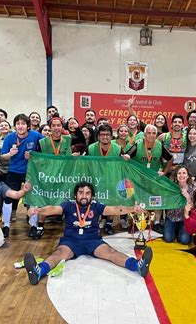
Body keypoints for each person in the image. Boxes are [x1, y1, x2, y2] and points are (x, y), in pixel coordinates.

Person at [23, 182, 154, 285]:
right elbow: (52, 209)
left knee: (111, 253)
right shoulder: (69, 205)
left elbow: (115, 209)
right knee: (58, 254)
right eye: (81, 193)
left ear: (92, 196)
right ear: (75, 195)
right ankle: (39, 271)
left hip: (93, 241)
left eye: (87, 193)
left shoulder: (96, 206)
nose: (84, 196)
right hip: (71, 242)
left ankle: (138, 265)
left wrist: (132, 209)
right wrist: (37, 210)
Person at [0, 114, 43, 238]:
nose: (20, 126)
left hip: (30, 172)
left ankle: (33, 225)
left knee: (32, 198)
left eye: (23, 123)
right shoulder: (9, 138)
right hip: (13, 171)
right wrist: (9, 154)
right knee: (8, 198)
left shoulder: (36, 136)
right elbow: (2, 157)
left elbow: (45, 151)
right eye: (18, 123)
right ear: (15, 126)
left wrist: (34, 155)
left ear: (28, 126)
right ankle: (6, 225)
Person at [30, 115, 73, 239]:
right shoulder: (42, 142)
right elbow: (37, 159)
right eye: (53, 125)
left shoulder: (68, 139)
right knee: (45, 201)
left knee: (67, 202)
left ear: (62, 127)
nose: (56, 128)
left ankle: (70, 227)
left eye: (58, 125)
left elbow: (81, 139)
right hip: (48, 177)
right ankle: (40, 226)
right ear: (50, 127)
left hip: (65, 178)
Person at [125, 124, 174, 232]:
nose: (151, 135)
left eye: (153, 133)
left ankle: (156, 222)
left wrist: (164, 172)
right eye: (149, 133)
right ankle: (137, 222)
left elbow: (170, 159)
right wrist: (127, 158)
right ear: (144, 134)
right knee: (138, 199)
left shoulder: (160, 145)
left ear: (156, 135)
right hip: (139, 179)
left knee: (157, 199)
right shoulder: (137, 145)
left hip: (154, 179)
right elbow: (127, 157)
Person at [87, 124, 124, 235]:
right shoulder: (91, 148)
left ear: (111, 136)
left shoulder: (118, 149)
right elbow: (84, 162)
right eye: (102, 134)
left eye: (108, 134)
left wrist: (126, 159)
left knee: (111, 201)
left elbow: (124, 164)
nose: (105, 137)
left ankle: (109, 223)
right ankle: (94, 224)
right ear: (98, 136)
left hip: (112, 179)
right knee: (95, 202)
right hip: (96, 180)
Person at [163, 166, 195, 245]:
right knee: (168, 238)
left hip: (185, 219)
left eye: (184, 173)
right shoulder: (171, 187)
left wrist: (187, 196)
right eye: (179, 173)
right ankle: (176, 229)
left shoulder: (192, 188)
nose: (181, 175)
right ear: (176, 176)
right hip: (171, 217)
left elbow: (193, 206)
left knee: (184, 240)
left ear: (187, 176)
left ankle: (182, 231)